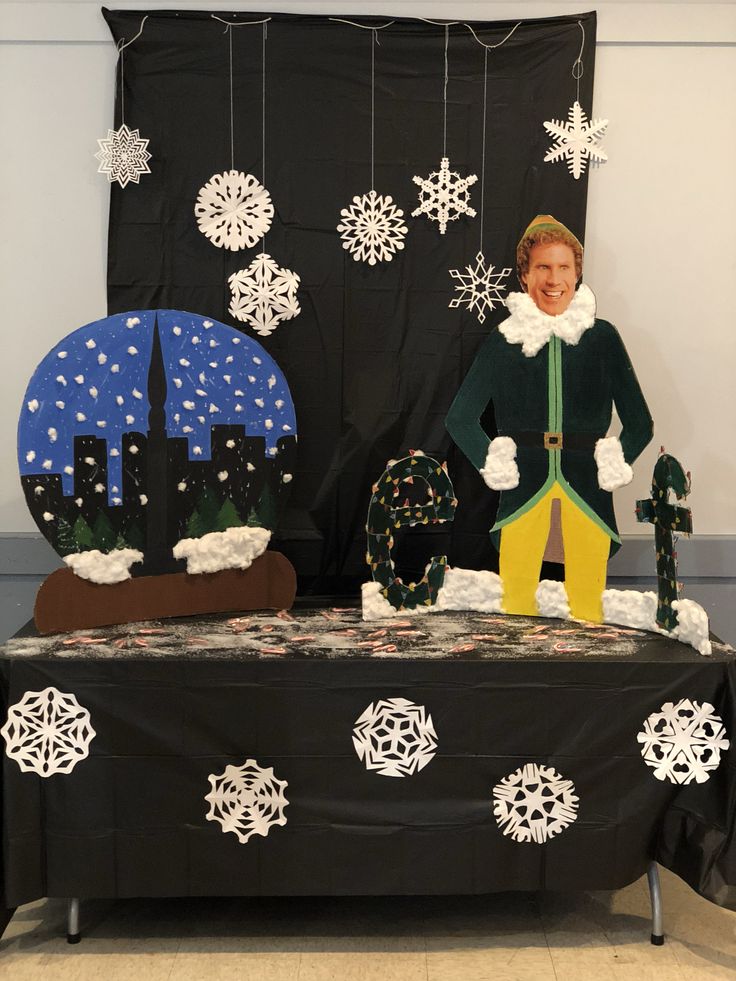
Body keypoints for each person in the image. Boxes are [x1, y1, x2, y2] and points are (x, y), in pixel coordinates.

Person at [445, 214, 653, 622]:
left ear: (577, 274)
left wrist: (613, 461)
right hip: (524, 486)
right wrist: (496, 462)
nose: (553, 278)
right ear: (524, 275)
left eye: (563, 267)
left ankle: (588, 680)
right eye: (542, 267)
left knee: (587, 605)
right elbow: (460, 418)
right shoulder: (504, 339)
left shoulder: (603, 337)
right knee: (518, 600)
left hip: (586, 486)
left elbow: (640, 424)